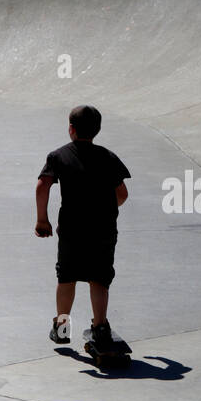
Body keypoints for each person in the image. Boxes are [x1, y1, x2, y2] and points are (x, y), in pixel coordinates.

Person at [35, 105, 130, 347]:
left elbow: (42, 186)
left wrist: (42, 219)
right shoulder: (108, 157)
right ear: (97, 130)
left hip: (72, 230)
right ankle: (99, 327)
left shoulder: (58, 156)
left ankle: (62, 328)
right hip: (103, 229)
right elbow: (122, 194)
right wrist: (108, 209)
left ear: (71, 129)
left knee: (66, 277)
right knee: (99, 279)